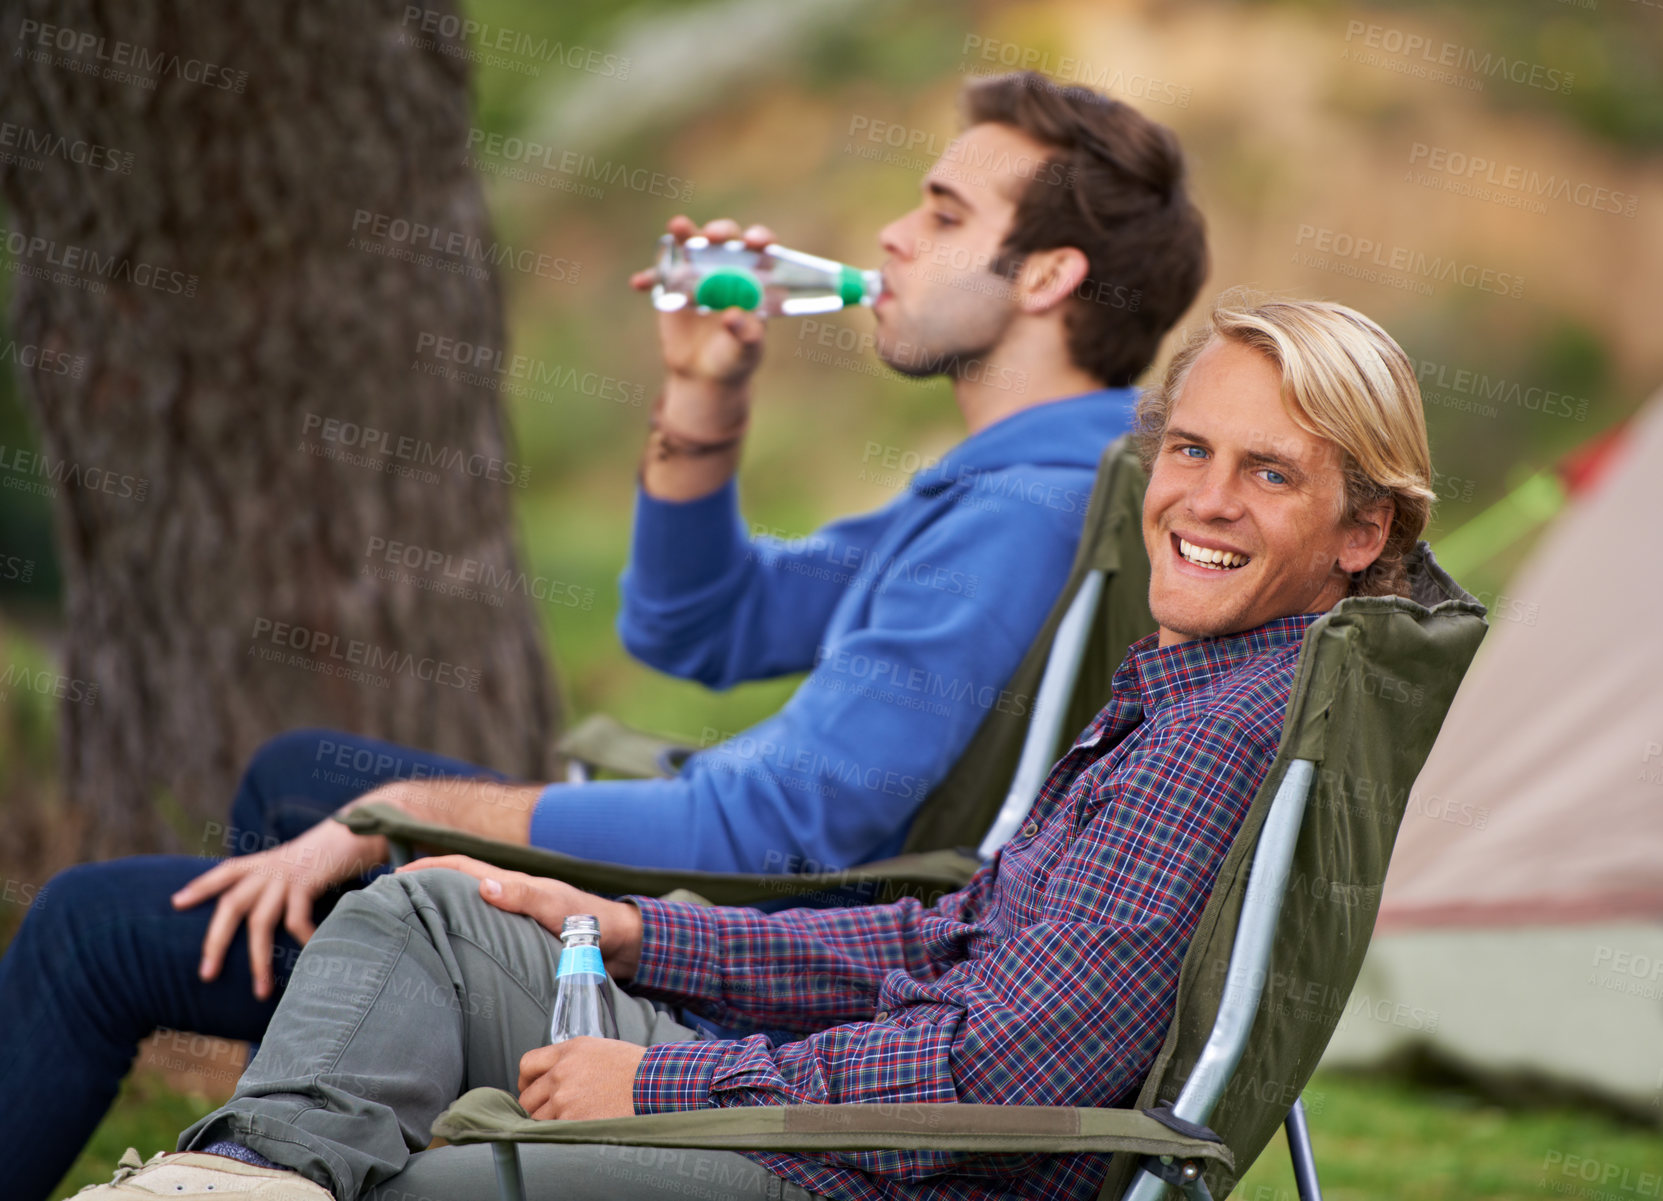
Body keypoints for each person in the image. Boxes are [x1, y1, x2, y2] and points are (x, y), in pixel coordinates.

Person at [2, 70, 1210, 1201]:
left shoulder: (1009, 520)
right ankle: (358, 1089)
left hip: (758, 941)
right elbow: (700, 626)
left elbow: (777, 833)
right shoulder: (1031, 479)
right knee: (300, 777)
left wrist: (412, 810)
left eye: (942, 214)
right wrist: (704, 396)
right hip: (768, 889)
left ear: (1047, 277)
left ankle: (360, 1088)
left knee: (91, 930)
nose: (892, 234)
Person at [71, 295, 1437, 1201]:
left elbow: (1003, 1075)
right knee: (430, 909)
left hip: (868, 1165)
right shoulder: (1191, 679)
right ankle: (243, 1172)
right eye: (1188, 450)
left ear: (1360, 528)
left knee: (419, 1168)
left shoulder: (1218, 734)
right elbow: (943, 939)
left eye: (1268, 472)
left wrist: (659, 1080)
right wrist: (639, 931)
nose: (1199, 499)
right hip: (837, 1099)